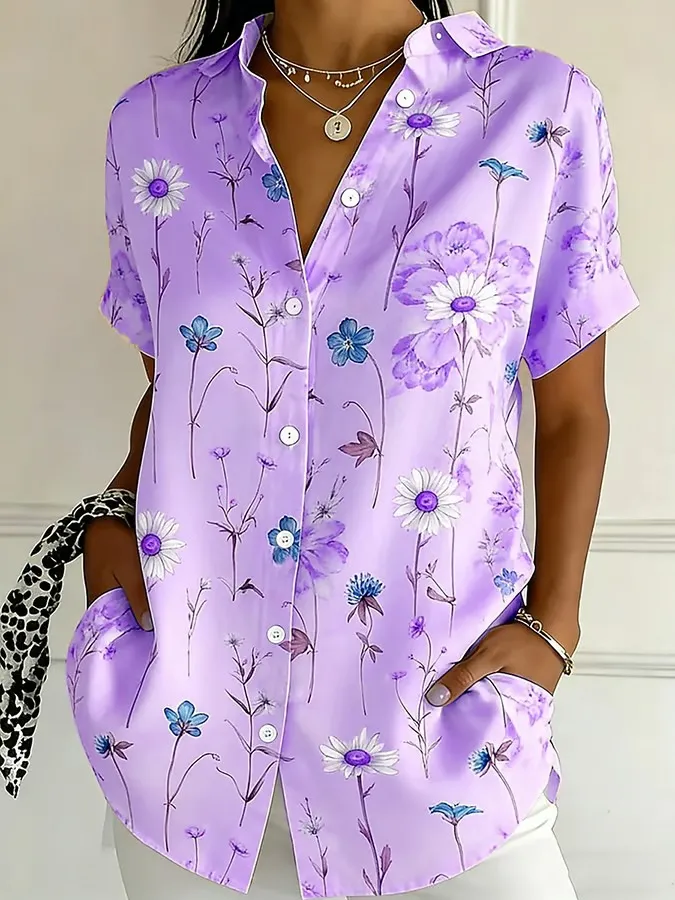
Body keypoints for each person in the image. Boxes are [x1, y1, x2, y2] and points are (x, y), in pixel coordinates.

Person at [0, 1, 639, 898]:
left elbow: (571, 410)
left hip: (434, 747)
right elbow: (179, 388)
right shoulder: (155, 126)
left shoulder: (538, 110)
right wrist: (110, 523)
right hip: (190, 748)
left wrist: (555, 626)